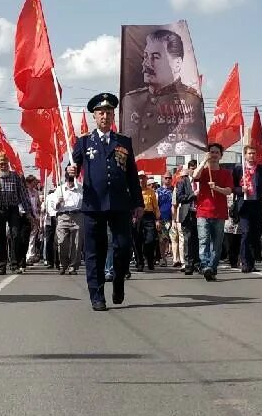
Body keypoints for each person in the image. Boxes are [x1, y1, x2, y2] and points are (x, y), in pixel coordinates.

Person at [70, 92, 137, 309]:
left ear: (113, 116)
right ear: (94, 116)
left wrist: (138, 202)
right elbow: (73, 168)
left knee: (123, 247)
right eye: (101, 113)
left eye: (108, 113)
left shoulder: (124, 142)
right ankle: (97, 295)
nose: (105, 117)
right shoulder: (84, 142)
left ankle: (118, 281)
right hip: (94, 205)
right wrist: (70, 170)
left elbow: (132, 175)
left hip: (119, 204)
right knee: (94, 252)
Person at [120, 28, 207, 159]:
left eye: (155, 57)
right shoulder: (131, 100)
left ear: (177, 64)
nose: (146, 63)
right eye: (145, 56)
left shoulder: (191, 100)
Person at [192, 141, 234, 282]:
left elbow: (228, 191)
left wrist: (216, 188)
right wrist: (204, 160)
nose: (214, 155)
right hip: (203, 212)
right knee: (203, 240)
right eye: (212, 152)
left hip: (219, 213)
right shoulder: (203, 171)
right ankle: (205, 267)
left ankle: (212, 267)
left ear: (221, 155)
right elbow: (195, 176)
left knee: (217, 243)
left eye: (216, 152)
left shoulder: (226, 173)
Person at [0, 152, 36, 275]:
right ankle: (1, 266)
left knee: (15, 235)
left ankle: (14, 264)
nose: (3, 165)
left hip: (13, 209)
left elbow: (23, 195)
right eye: (1, 164)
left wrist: (28, 213)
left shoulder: (15, 176)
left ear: (8, 164)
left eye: (5, 163)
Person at [234, 144, 262, 273]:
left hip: (257, 204)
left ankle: (252, 262)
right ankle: (245, 262)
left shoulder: (261, 169)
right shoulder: (239, 169)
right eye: (249, 153)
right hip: (244, 205)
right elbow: (233, 187)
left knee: (255, 235)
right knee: (246, 233)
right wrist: (240, 190)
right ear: (245, 155)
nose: (252, 156)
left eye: (254, 153)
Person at [52, 164, 84, 275]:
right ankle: (63, 264)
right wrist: (58, 202)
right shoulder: (59, 189)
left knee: (77, 243)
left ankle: (73, 266)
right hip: (63, 217)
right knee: (62, 242)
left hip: (77, 216)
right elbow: (53, 207)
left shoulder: (80, 188)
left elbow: (85, 204)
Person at [175, 159, 199, 275]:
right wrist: (192, 195)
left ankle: (197, 263)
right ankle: (189, 264)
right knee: (188, 239)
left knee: (199, 239)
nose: (194, 170)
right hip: (187, 214)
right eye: (192, 168)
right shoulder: (182, 182)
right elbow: (179, 197)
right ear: (188, 169)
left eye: (196, 168)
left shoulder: (201, 181)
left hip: (200, 213)